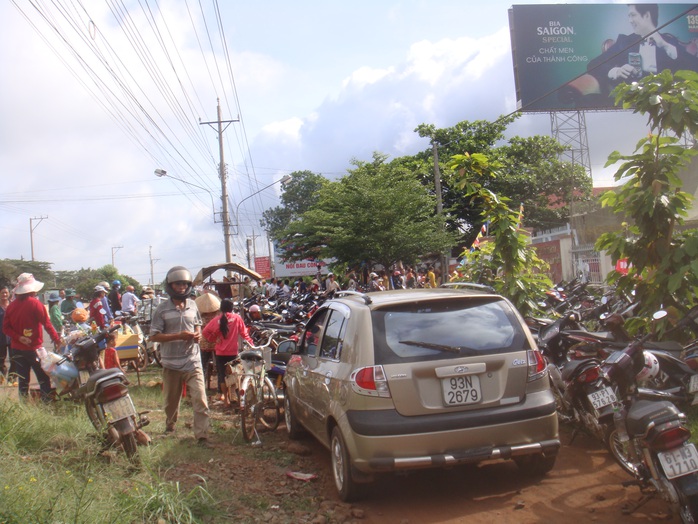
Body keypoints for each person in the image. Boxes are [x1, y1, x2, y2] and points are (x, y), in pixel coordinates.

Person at [149, 266, 211, 448]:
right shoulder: (161, 309)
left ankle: (202, 436)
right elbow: (154, 336)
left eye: (185, 283)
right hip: (171, 363)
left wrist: (197, 333)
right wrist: (179, 335)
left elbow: (198, 323)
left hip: (192, 361)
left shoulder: (193, 305)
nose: (182, 287)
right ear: (170, 285)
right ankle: (170, 426)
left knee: (200, 398)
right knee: (171, 402)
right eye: (178, 283)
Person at [587, 4, 698, 95]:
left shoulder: (669, 42)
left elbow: (694, 68)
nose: (630, 20)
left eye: (633, 15)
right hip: (633, 101)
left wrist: (665, 45)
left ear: (646, 15)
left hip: (665, 102)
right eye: (629, 16)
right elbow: (594, 65)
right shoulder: (625, 42)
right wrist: (617, 71)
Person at [2, 273, 62, 401]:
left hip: (16, 349)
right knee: (43, 378)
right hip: (34, 349)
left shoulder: (11, 306)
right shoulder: (35, 304)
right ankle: (46, 405)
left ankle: (25, 406)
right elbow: (47, 324)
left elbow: (6, 328)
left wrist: (19, 337)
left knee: (23, 381)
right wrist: (57, 340)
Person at [202, 298, 253, 407]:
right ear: (232, 308)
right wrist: (252, 344)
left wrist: (214, 339)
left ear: (221, 308)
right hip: (232, 352)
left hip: (220, 353)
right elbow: (244, 334)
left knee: (222, 376)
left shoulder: (216, 320)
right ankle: (233, 396)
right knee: (234, 374)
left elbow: (205, 332)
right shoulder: (237, 318)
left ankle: (226, 400)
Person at [195, 292, 221, 395]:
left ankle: (201, 388)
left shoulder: (200, 317)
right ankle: (219, 389)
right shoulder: (217, 317)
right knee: (219, 367)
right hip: (216, 344)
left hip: (203, 344)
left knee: (202, 366)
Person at [0, 285, 11, 381]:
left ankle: (12, 379)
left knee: (15, 359)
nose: (4, 294)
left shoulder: (12, 306)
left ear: (9, 294)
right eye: (2, 292)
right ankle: (2, 377)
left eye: (6, 292)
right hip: (1, 337)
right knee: (1, 359)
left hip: (13, 337)